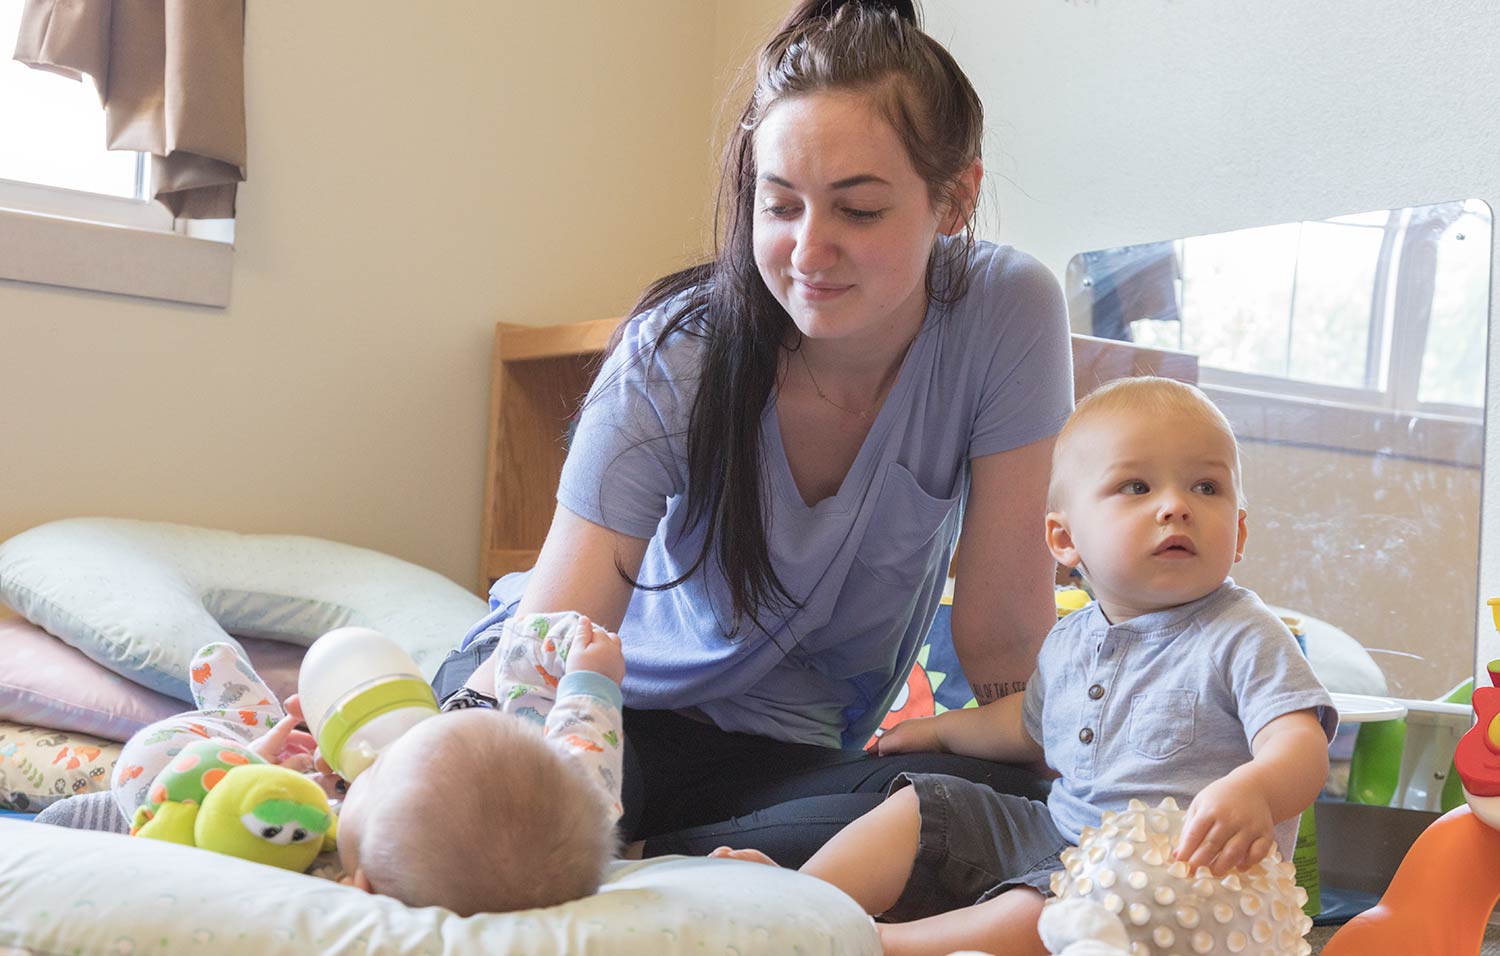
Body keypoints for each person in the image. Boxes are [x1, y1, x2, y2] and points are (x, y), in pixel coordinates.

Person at [431, 0, 1074, 865]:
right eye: (781, 207)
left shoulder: (1007, 313)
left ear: (955, 197)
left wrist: (1063, 778)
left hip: (786, 759)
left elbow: (1003, 644)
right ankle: (690, 853)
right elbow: (552, 641)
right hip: (594, 705)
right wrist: (444, 768)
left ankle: (669, 853)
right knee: (495, 812)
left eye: (858, 211)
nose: (810, 251)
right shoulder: (682, 346)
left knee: (1024, 818)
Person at [715, 377, 1339, 956]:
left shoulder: (1243, 633)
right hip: (1058, 834)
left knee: (1052, 905)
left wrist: (1254, 791)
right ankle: (802, 903)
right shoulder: (1071, 638)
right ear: (1065, 540)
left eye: (1207, 487)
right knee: (931, 805)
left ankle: (874, 944)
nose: (1176, 506)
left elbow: (1299, 744)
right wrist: (937, 731)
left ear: (1241, 531)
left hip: (1177, 877)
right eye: (1137, 487)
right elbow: (1027, 725)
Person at [114, 612, 626, 916]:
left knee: (148, 767)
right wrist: (590, 680)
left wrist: (255, 772)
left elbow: (217, 837)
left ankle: (242, 720)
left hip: (195, 793)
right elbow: (583, 761)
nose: (368, 767)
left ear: (362, 891)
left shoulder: (322, 883)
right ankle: (257, 719)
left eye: (375, 773)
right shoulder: (572, 825)